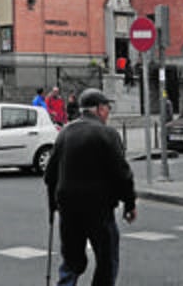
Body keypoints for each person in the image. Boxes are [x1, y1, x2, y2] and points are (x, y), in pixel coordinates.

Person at [45, 87, 136, 286]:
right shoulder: (107, 134)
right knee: (106, 259)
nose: (108, 113)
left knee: (71, 260)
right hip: (99, 208)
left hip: (68, 208)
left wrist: (53, 205)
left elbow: (50, 174)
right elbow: (122, 173)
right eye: (107, 109)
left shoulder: (65, 132)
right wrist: (130, 204)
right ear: (99, 109)